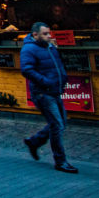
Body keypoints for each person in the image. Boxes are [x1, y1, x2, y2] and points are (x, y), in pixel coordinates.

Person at [21, 22, 77, 173]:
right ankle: (60, 161)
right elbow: (26, 70)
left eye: (49, 33)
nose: (48, 36)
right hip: (43, 93)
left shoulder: (50, 47)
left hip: (54, 90)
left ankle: (34, 141)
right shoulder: (29, 49)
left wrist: (62, 79)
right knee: (57, 125)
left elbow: (57, 65)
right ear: (35, 35)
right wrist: (46, 82)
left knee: (60, 123)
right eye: (45, 34)